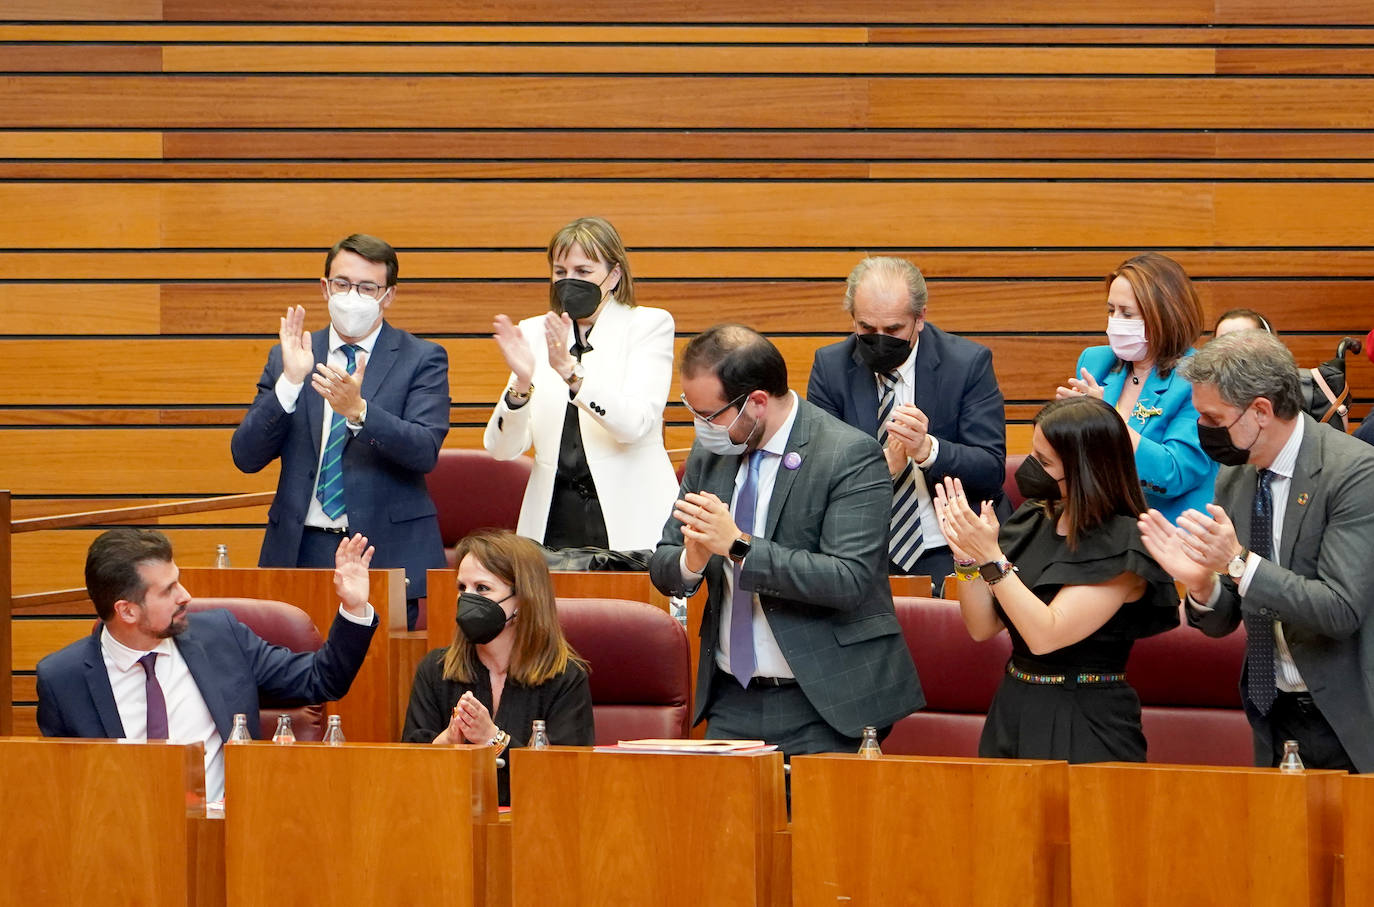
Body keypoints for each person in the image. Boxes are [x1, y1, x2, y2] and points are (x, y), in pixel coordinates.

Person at [649, 324, 923, 756]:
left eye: (710, 415)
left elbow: (847, 579)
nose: (701, 428)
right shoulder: (711, 456)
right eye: (693, 412)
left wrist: (737, 546)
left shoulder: (848, 454)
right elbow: (664, 562)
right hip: (731, 698)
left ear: (757, 402)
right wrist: (693, 558)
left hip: (826, 699)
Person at [1139, 330, 1374, 772]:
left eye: (1212, 418)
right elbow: (1227, 617)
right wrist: (1202, 583)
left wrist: (1238, 562)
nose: (1202, 431)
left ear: (1261, 411)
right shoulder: (1236, 476)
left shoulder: (1355, 474)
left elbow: (1340, 610)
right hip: (1273, 715)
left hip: (1352, 718)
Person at [36, 527, 378, 802]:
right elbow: (61, 795)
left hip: (227, 837)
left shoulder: (221, 638)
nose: (185, 595)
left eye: (179, 580)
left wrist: (354, 608)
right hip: (123, 852)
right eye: (168, 590)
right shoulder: (62, 680)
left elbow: (321, 679)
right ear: (127, 610)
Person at [936, 396, 1179, 762]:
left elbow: (1046, 634)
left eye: (1044, 462)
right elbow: (982, 627)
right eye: (1033, 455)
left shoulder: (1126, 544)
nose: (1032, 468)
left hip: (1086, 718)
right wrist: (967, 558)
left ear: (1086, 468)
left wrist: (992, 557)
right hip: (1013, 705)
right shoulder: (1033, 520)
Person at [230, 233, 450, 630]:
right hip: (301, 548)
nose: (352, 296)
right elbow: (246, 457)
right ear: (324, 288)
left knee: (382, 684)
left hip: (384, 553)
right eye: (343, 284)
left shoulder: (422, 358)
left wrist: (359, 412)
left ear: (389, 296)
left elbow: (424, 450)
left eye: (367, 287)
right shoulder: (291, 354)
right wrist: (290, 385)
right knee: (293, 679)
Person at [807, 256, 1007, 590]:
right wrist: (879, 469)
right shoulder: (831, 368)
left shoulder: (967, 364)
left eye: (894, 329)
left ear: (920, 318)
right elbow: (815, 477)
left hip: (954, 547)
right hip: (862, 551)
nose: (880, 338)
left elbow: (990, 469)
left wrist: (928, 450)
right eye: (867, 329)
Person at [484, 216, 678, 553]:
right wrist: (522, 382)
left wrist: (572, 375)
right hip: (553, 518)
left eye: (583, 271)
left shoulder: (647, 325)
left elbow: (634, 425)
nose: (569, 281)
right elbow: (502, 449)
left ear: (614, 275)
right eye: (560, 271)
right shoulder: (533, 332)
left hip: (630, 514)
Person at [402, 530, 594, 805]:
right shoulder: (436, 670)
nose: (467, 599)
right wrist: (447, 742)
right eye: (461, 588)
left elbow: (566, 781)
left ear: (523, 599)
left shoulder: (565, 678)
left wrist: (494, 740)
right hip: (450, 827)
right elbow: (405, 775)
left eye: (482, 589)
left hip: (535, 833)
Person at [1056, 252, 1216, 525]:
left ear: (1164, 316)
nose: (1114, 321)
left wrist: (1106, 421)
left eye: (1126, 313)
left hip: (1168, 532)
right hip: (1099, 526)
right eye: (1111, 310)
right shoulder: (1095, 362)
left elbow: (1173, 474)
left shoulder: (1201, 376)